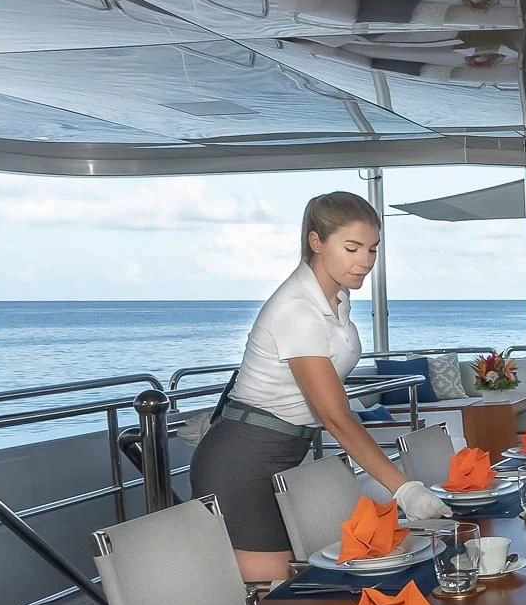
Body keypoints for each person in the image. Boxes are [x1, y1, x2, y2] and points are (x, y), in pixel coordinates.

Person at [190, 192, 450, 582]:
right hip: (243, 461)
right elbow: (334, 415)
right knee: (273, 591)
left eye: (373, 249)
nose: (365, 261)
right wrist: (404, 489)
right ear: (316, 242)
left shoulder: (335, 298)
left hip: (283, 449)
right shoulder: (299, 308)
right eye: (352, 248)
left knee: (294, 580)